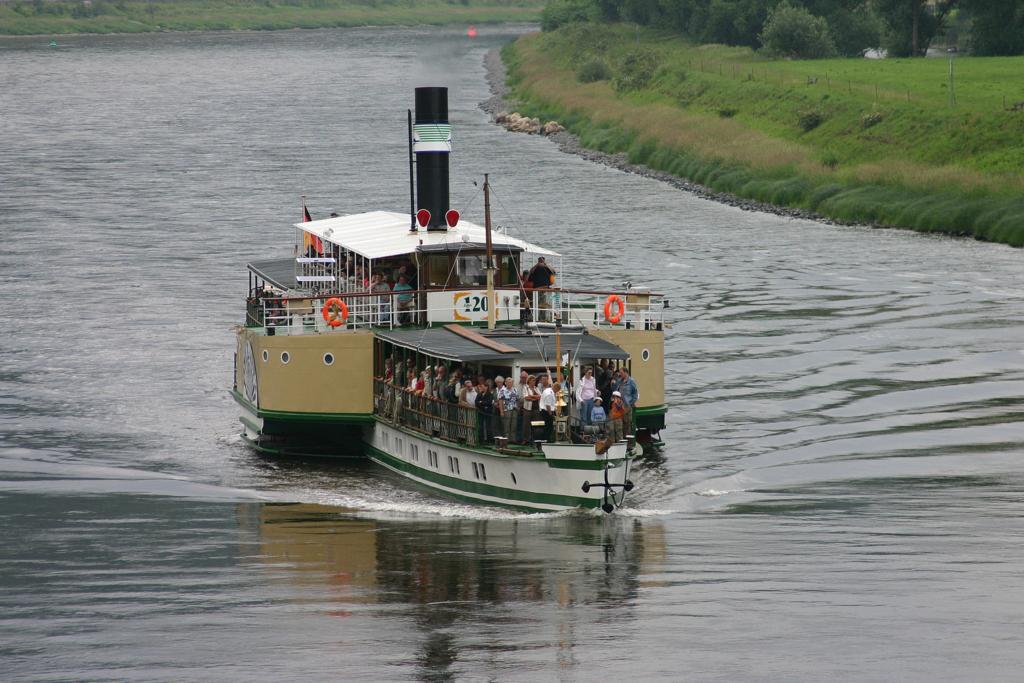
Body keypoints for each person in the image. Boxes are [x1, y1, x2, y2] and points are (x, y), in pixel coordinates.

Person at [616, 367, 639, 434]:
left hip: (627, 404)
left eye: (621, 373)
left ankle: (628, 438)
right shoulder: (619, 381)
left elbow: (635, 394)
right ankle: (621, 437)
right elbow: (615, 389)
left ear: (626, 373)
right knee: (620, 422)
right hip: (619, 405)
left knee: (628, 422)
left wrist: (631, 402)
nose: (620, 374)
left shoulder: (631, 381)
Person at [497, 377, 519, 442]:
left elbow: (517, 399)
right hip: (506, 410)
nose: (510, 383)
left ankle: (513, 440)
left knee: (514, 425)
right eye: (508, 382)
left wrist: (518, 407)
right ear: (505, 383)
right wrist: (501, 411)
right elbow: (500, 401)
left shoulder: (515, 389)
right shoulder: (502, 390)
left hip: (514, 409)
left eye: (511, 382)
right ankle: (506, 440)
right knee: (506, 425)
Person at [538, 374, 557, 442]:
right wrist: (551, 414)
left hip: (547, 411)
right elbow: (548, 405)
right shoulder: (549, 393)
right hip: (546, 412)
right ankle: (546, 441)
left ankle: (547, 440)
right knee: (547, 427)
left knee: (548, 427)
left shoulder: (550, 390)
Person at [475, 379, 495, 444]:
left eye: (483, 387)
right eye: (481, 387)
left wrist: (481, 402)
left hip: (488, 413)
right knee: (481, 426)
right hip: (481, 412)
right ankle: (481, 439)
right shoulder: (479, 394)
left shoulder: (490, 394)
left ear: (486, 387)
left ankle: (489, 440)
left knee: (488, 426)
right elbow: (476, 402)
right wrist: (483, 405)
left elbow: (489, 402)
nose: (482, 388)